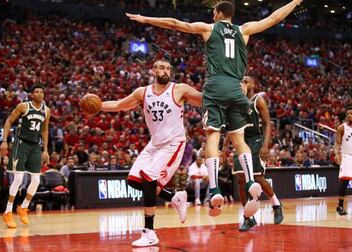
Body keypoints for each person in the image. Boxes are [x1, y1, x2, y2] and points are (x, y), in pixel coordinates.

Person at [127, 0, 303, 217]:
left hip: (215, 86)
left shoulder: (209, 28)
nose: (212, 16)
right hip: (237, 89)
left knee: (212, 137)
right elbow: (274, 18)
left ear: (219, 13)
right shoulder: (244, 30)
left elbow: (175, 23)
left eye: (213, 12)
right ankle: (249, 182)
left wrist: (146, 19)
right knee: (238, 139)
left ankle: (215, 190)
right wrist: (294, 2)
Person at [99, 59, 202, 247]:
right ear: (154, 70)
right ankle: (174, 197)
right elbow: (120, 105)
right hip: (154, 144)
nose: (166, 71)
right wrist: (99, 105)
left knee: (149, 179)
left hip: (173, 143)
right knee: (133, 180)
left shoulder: (179, 89)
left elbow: (203, 98)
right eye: (162, 67)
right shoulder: (143, 92)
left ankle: (149, 232)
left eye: (168, 69)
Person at [223, 76, 283, 231]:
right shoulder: (236, 103)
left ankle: (276, 204)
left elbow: (268, 124)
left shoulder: (258, 101)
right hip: (241, 140)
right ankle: (248, 217)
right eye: (240, 82)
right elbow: (233, 127)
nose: (242, 83)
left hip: (256, 140)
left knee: (257, 177)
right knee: (241, 179)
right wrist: (224, 147)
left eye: (245, 81)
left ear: (253, 85)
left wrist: (265, 145)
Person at [0, 84, 50, 228]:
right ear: (32, 95)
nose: (39, 94)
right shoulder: (23, 106)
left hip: (35, 145)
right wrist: (4, 141)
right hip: (21, 144)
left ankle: (23, 207)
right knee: (19, 178)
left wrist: (45, 150)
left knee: (36, 180)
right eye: (36, 92)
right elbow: (9, 121)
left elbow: (45, 130)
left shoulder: (47, 110)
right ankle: (8, 211)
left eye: (42, 92)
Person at [334, 105, 352, 216]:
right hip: (346, 156)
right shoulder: (342, 127)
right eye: (348, 113)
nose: (349, 115)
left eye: (351, 113)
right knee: (345, 182)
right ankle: (340, 206)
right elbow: (337, 142)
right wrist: (337, 153)